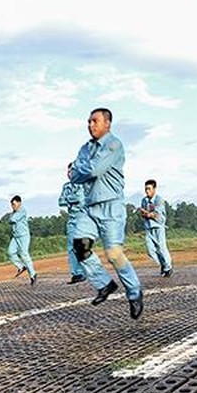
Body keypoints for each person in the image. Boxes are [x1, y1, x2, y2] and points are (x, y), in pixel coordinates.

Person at [69, 107, 143, 319]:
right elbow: (74, 174)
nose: (90, 125)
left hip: (111, 206)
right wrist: (79, 171)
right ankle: (104, 284)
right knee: (80, 246)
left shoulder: (114, 144)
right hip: (90, 206)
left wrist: (78, 171)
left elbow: (91, 170)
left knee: (114, 254)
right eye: (89, 122)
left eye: (95, 121)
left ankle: (134, 291)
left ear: (107, 123)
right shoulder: (85, 147)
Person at [140, 179, 172, 276]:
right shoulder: (144, 200)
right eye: (146, 189)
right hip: (149, 227)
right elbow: (144, 214)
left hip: (158, 227)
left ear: (154, 189)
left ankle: (168, 268)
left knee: (161, 248)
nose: (147, 191)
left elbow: (156, 215)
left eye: (149, 189)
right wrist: (145, 214)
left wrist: (147, 213)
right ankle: (163, 264)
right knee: (150, 250)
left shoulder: (159, 200)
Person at [7, 195, 36, 284]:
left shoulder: (22, 211)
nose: (12, 206)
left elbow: (12, 220)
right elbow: (10, 220)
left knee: (24, 254)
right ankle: (21, 266)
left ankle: (33, 274)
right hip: (15, 237)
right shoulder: (15, 212)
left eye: (14, 204)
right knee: (10, 252)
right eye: (12, 205)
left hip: (23, 236)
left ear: (19, 203)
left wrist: (11, 216)